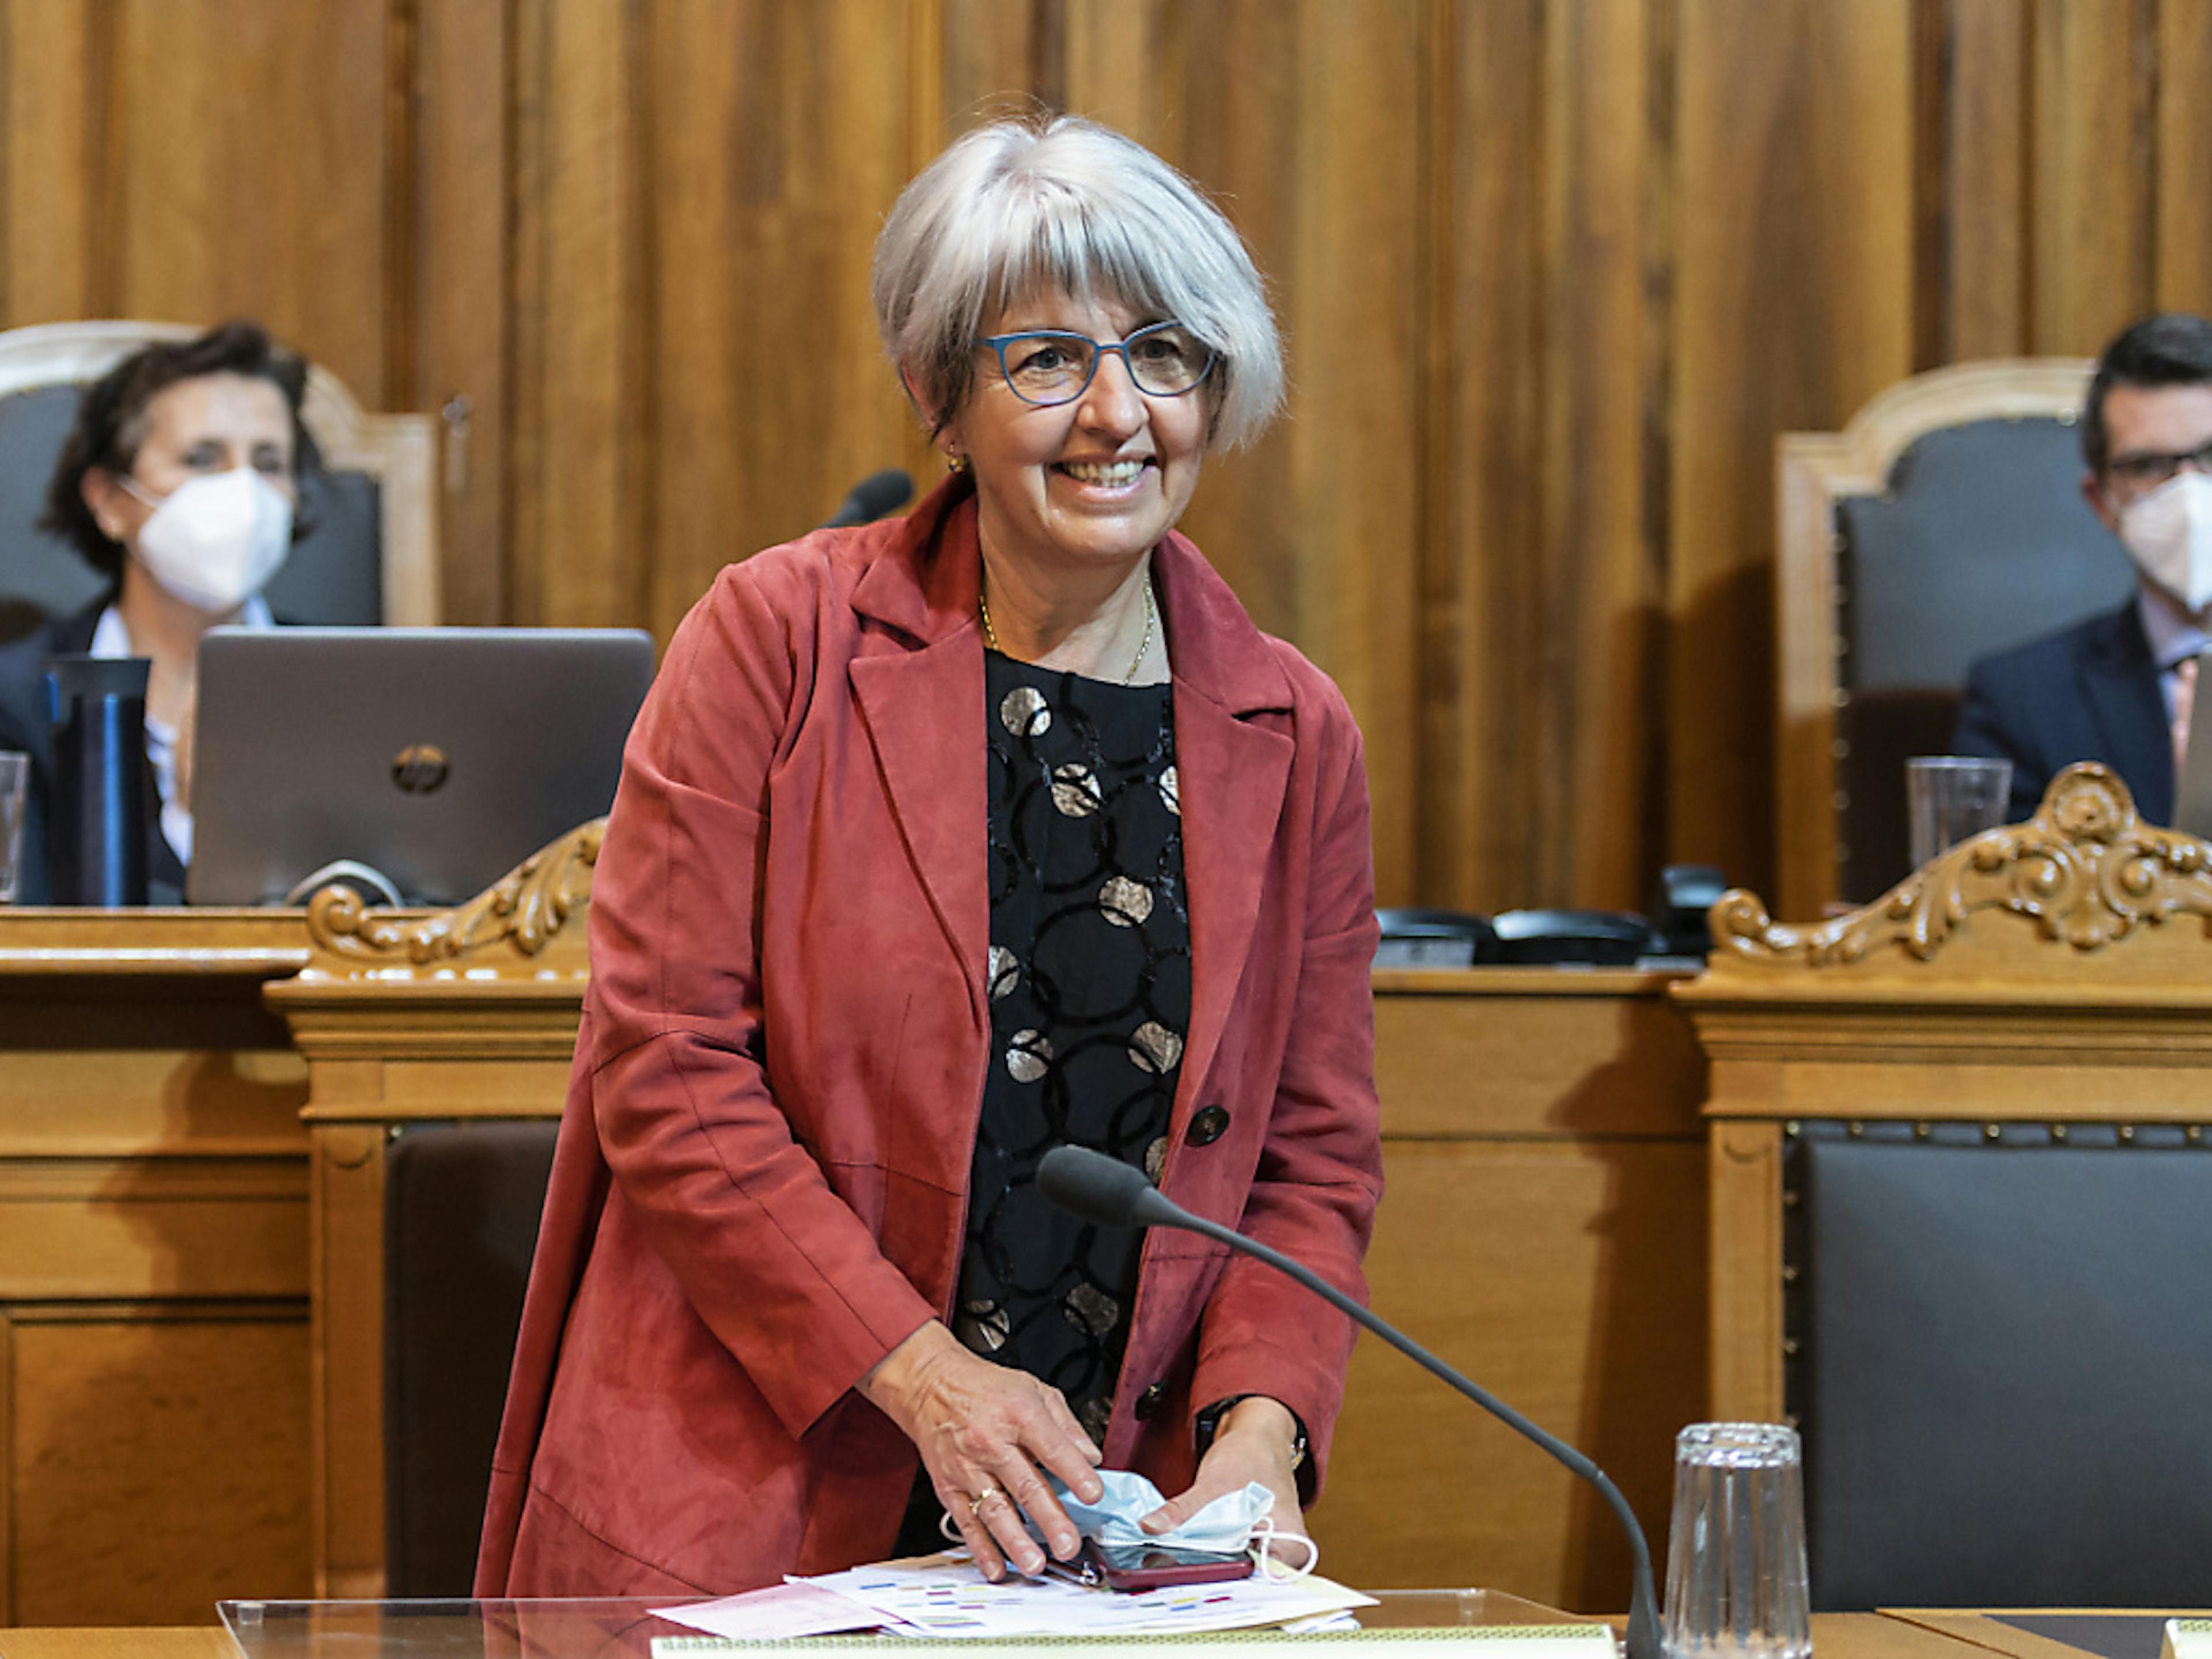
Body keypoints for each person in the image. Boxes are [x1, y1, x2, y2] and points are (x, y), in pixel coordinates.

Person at [475, 114, 1384, 1598]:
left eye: (1165, 354)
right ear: (937, 394)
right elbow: (665, 1064)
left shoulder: (1295, 726)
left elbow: (1310, 1149)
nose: (1117, 413)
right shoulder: (776, 638)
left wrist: (1260, 1434)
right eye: (1046, 361)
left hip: (1109, 1538)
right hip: (752, 1502)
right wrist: (924, 1379)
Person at [0, 320, 316, 902]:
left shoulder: (352, 687)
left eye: (269, 462)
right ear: (109, 499)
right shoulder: (15, 703)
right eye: (201, 458)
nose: (242, 492)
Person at [1955, 313, 2212, 824]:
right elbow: (1990, 897)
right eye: (2147, 466)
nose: (2189, 492)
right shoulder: (2021, 699)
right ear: (2101, 501)